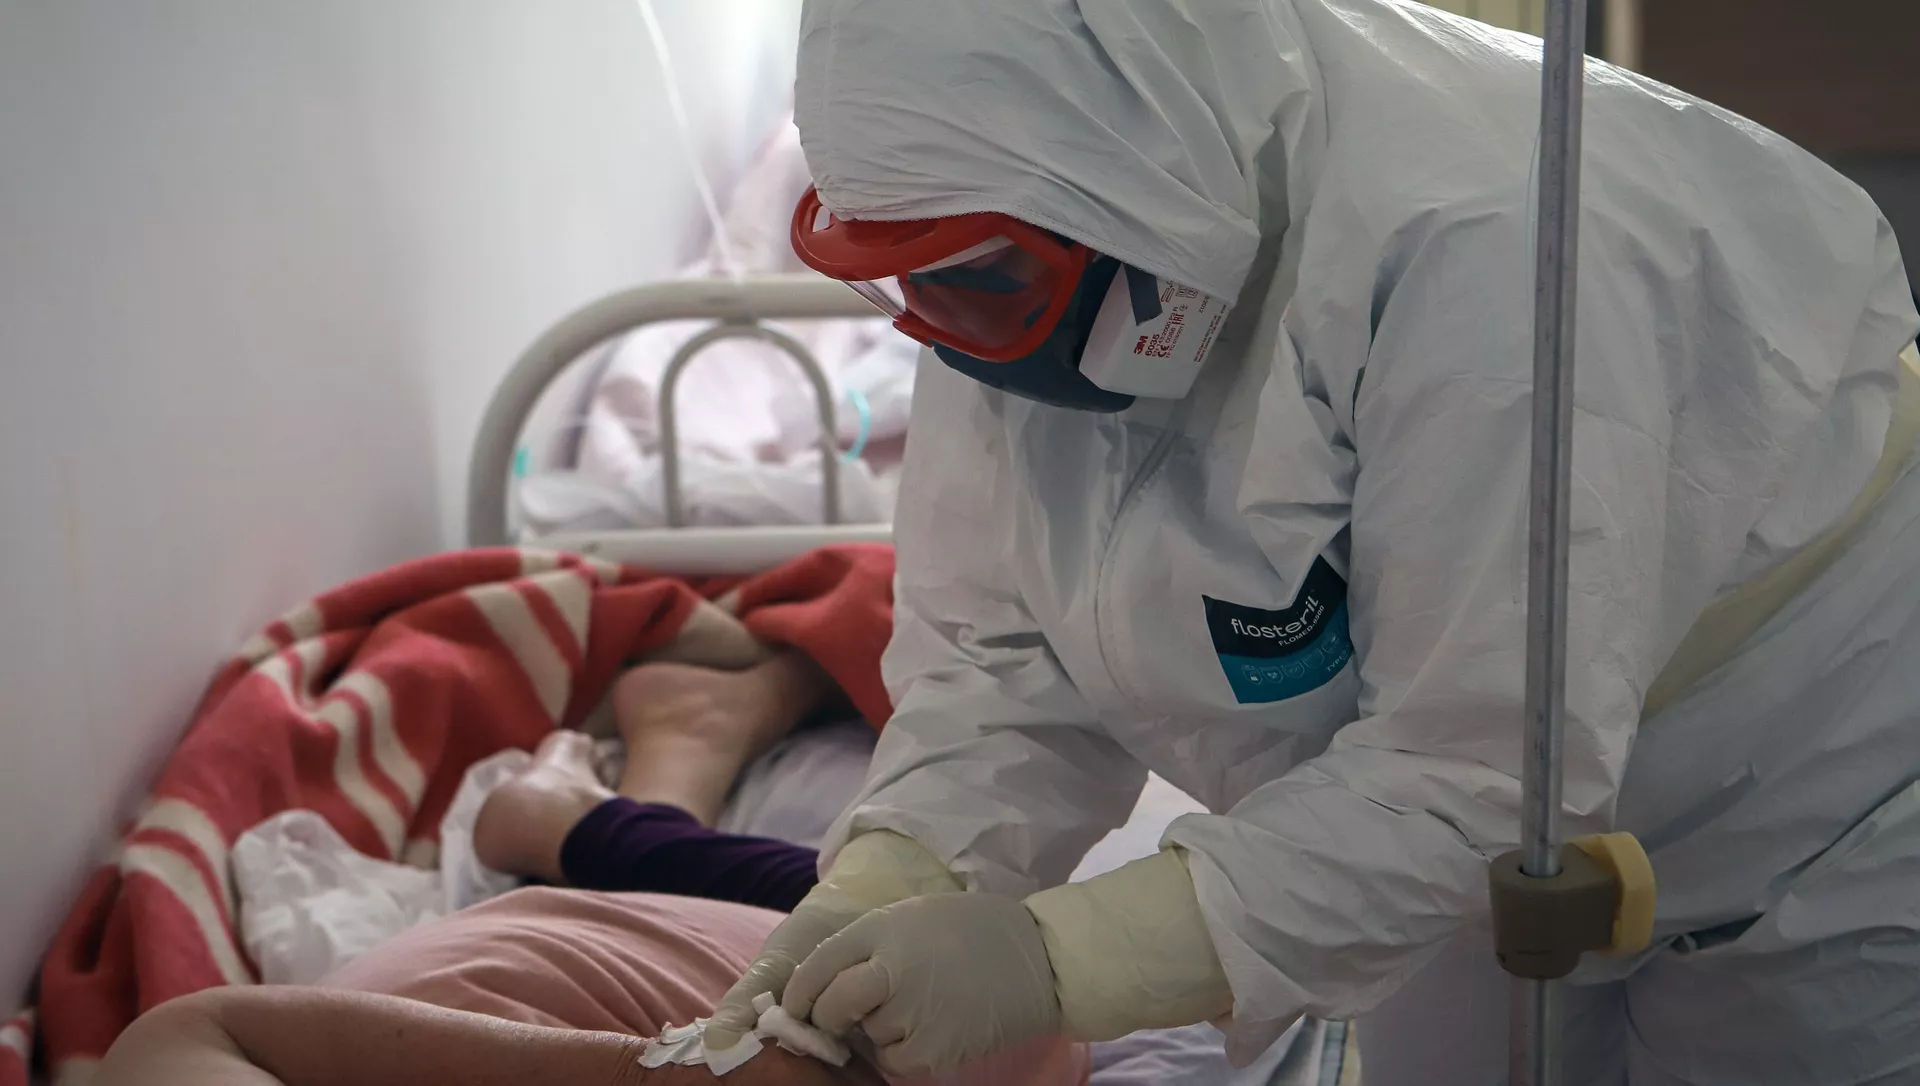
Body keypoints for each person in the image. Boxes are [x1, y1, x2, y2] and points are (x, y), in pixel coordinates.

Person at [697, 0, 1920, 1083]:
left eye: (981, 275)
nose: (947, 328)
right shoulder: (1014, 249)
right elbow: (1008, 652)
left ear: (1133, 192)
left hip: (1808, 791)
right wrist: (899, 869)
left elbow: (1477, 767)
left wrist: (1060, 960)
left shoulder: (1494, 252)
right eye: (915, 282)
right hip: (1447, 831)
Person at [93, 653, 1087, 1086]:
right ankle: (618, 790)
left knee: (929, 931)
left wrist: (648, 1077)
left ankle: (579, 815)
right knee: (957, 945)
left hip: (487, 997)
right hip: (610, 968)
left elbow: (191, 1031)